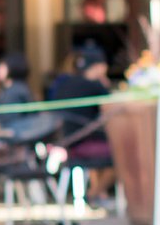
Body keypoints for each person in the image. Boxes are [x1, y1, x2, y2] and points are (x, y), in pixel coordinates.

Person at [44, 43, 114, 198]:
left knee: (101, 144)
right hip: (80, 145)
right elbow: (110, 109)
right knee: (120, 154)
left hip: (62, 141)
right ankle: (92, 195)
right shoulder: (95, 86)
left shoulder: (64, 82)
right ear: (100, 67)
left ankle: (98, 194)